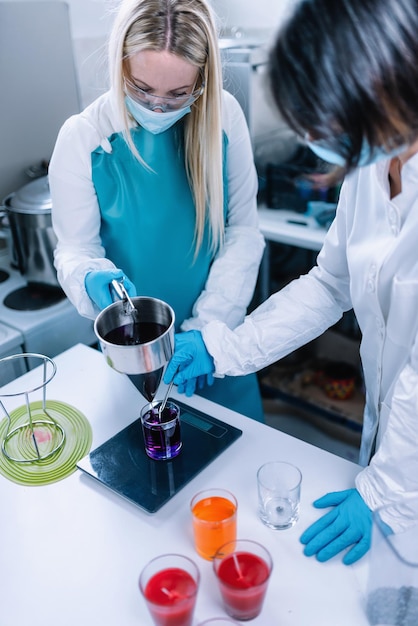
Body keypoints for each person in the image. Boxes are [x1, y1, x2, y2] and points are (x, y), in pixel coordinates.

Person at [164, 0, 418, 564]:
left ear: (382, 90)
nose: (313, 138)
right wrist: (223, 346)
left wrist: (385, 494)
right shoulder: (372, 166)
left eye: (321, 122)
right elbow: (331, 284)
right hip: (394, 446)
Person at [48, 0, 265, 420]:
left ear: (200, 83)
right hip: (131, 355)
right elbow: (75, 249)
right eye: (142, 89)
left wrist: (207, 330)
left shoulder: (223, 117)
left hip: (214, 347)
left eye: (178, 94)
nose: (158, 108)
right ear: (120, 66)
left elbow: (242, 231)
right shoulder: (84, 139)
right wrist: (86, 277)